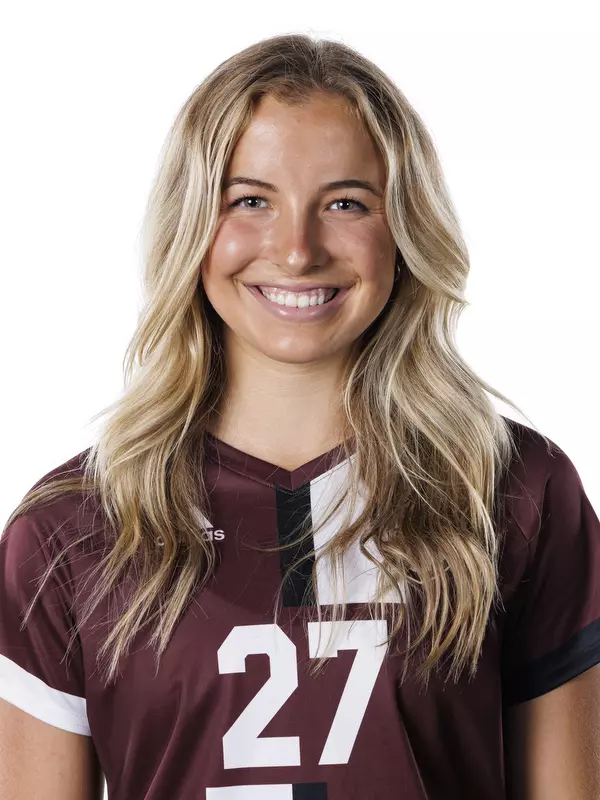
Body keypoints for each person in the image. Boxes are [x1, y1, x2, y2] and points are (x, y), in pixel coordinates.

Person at [1, 33, 599, 800]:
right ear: (192, 225)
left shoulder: (512, 489)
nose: (296, 250)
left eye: (345, 202)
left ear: (404, 227)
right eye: (250, 200)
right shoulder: (73, 527)